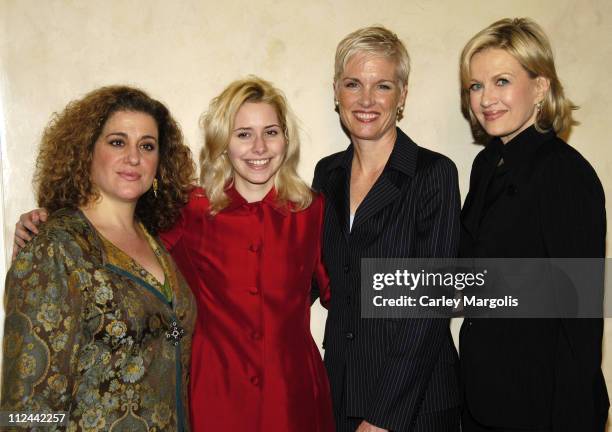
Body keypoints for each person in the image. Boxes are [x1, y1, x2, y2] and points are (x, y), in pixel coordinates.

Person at [12, 77, 335, 431]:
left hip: (292, 401)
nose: (259, 146)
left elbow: (343, 294)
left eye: (271, 132)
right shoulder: (188, 211)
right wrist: (44, 220)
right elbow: (28, 398)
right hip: (212, 401)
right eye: (243, 133)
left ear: (286, 140)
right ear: (222, 141)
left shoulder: (313, 210)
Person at [2, 86, 197, 431]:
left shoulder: (156, 242)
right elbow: (26, 407)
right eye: (118, 142)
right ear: (86, 152)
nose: (134, 157)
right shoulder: (56, 247)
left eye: (147, 146)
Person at [458, 18, 608, 431]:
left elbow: (580, 321)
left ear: (540, 88)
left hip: (542, 407)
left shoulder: (564, 174)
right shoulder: (487, 165)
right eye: (475, 85)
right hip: (482, 397)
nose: (486, 98)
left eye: (502, 81)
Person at [312, 26, 461, 432]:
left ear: (402, 95)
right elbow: (305, 277)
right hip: (340, 392)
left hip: (415, 403)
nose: (366, 100)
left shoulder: (433, 174)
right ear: (336, 91)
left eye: (382, 86)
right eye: (353, 84)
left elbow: (431, 306)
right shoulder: (327, 174)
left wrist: (383, 419)